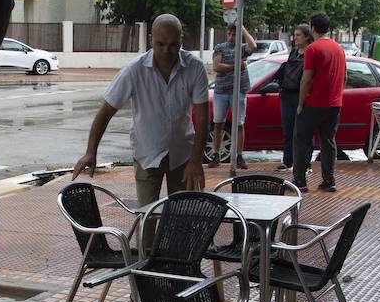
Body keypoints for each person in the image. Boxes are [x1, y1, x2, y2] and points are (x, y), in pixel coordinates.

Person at [72, 13, 209, 207]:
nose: (166, 51)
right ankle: (147, 237)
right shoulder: (133, 70)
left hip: (183, 154)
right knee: (147, 217)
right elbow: (105, 112)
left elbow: (203, 119)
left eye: (173, 45)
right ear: (151, 40)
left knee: (183, 215)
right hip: (147, 153)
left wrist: (196, 160)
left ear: (181, 42)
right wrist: (90, 152)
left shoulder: (195, 68)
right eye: (160, 44)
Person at [293, 12, 346, 192]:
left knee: (301, 139)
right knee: (328, 141)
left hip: (314, 103)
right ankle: (329, 180)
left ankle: (300, 181)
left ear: (313, 28)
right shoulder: (339, 49)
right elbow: (344, 77)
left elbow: (306, 79)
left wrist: (301, 103)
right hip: (334, 103)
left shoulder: (313, 49)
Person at [208, 24, 255, 167]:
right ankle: (216, 155)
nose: (231, 37)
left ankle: (239, 156)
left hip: (238, 90)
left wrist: (242, 27)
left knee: (239, 124)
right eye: (229, 33)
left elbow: (252, 46)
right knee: (218, 123)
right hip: (221, 91)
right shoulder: (220, 47)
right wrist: (237, 66)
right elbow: (217, 66)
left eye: (234, 34)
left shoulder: (242, 48)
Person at [273, 24, 311, 172]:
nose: (295, 38)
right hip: (287, 94)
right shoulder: (293, 52)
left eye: (298, 35)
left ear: (307, 36)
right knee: (288, 129)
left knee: (302, 131)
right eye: (294, 35)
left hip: (300, 94)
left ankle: (305, 163)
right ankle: (288, 160)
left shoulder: (310, 53)